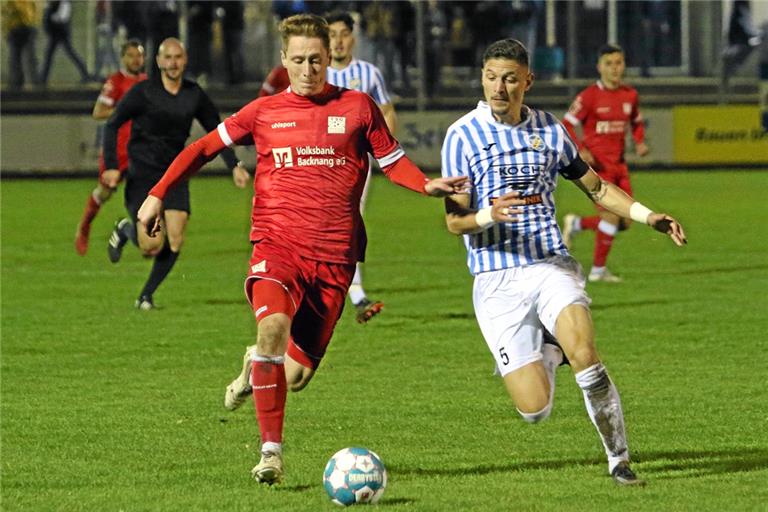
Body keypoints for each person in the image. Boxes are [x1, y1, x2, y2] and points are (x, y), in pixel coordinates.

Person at [136, 14, 467, 484]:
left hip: (335, 258)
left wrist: (428, 184)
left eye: (316, 60)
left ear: (329, 57)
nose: (308, 69)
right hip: (278, 246)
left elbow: (394, 163)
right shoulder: (264, 111)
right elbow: (203, 148)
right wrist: (157, 193)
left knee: (294, 376)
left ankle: (257, 365)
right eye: (298, 61)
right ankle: (271, 452)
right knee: (272, 326)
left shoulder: (358, 107)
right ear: (283, 60)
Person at [441, 39, 686, 486]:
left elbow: (597, 189)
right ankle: (550, 354)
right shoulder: (462, 136)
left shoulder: (550, 130)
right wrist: (486, 214)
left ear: (527, 81)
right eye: (492, 77)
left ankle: (620, 461)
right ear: (482, 78)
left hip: (550, 264)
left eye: (511, 78)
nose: (500, 87)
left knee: (588, 356)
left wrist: (648, 215)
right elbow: (455, 222)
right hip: (495, 279)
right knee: (534, 409)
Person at [103, 37, 249, 309]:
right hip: (143, 173)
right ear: (158, 61)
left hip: (175, 173)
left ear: (185, 61)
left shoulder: (194, 94)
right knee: (151, 245)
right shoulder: (143, 92)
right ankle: (126, 229)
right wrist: (112, 165)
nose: (172, 63)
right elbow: (112, 124)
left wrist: (234, 165)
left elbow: (218, 131)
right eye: (167, 58)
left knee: (176, 236)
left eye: (177, 57)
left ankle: (145, 296)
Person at [325, 11, 398, 323]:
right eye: (332, 35)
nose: (338, 41)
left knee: (350, 221)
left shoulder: (368, 73)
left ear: (353, 38)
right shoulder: (316, 74)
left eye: (343, 34)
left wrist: (386, 151)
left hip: (356, 162)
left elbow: (386, 111)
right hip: (320, 161)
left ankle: (353, 290)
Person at [560, 44, 649, 283]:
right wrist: (580, 150)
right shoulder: (588, 96)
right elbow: (566, 125)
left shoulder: (630, 95)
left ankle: (576, 223)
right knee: (611, 216)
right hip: (597, 170)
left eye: (618, 63)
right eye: (609, 64)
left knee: (626, 221)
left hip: (620, 167)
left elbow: (637, 122)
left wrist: (639, 142)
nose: (614, 69)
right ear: (599, 67)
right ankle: (598, 271)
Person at [75, 40, 147, 256]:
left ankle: (137, 233)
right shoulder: (115, 82)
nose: (136, 59)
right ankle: (85, 226)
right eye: (131, 55)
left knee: (146, 196)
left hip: (141, 151)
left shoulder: (147, 82)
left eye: (139, 55)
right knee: (105, 192)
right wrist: (124, 110)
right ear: (123, 58)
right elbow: (98, 112)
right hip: (117, 151)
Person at [40, 0, 93, 85]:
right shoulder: (58, 3)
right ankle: (43, 79)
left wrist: (49, 15)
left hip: (61, 33)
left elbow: (61, 18)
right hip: (56, 33)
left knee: (68, 54)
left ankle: (85, 73)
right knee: (50, 55)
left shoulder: (64, 3)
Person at [2, 0, 40, 90]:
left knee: (16, 57)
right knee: (27, 57)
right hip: (25, 27)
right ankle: (31, 81)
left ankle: (18, 82)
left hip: (19, 28)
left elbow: (9, 12)